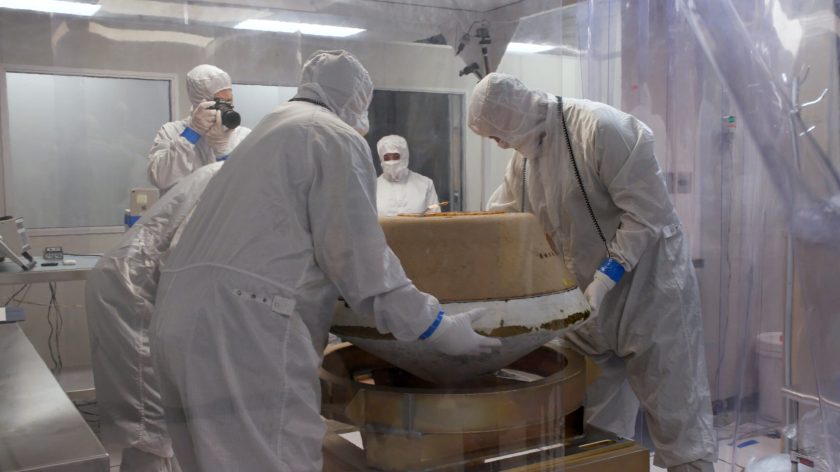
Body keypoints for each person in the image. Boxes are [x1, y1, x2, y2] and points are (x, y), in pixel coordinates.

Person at [149, 50, 500, 472]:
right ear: (356, 98)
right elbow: (359, 261)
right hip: (244, 331)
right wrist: (435, 326)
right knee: (275, 458)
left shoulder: (267, 131)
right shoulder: (331, 135)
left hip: (177, 318)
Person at [469, 72, 716, 472]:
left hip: (649, 294)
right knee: (596, 427)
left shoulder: (602, 129)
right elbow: (503, 220)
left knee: (677, 416)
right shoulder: (526, 160)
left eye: (498, 133)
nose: (498, 144)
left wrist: (607, 277)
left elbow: (648, 214)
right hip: (587, 309)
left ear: (515, 115)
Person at [85, 161, 225, 472]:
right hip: (134, 296)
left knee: (157, 423)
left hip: (136, 289)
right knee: (152, 423)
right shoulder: (231, 183)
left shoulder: (230, 174)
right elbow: (188, 262)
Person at [147, 64, 250, 193]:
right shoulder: (171, 132)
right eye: (220, 103)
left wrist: (224, 153)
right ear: (200, 102)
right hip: (185, 213)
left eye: (229, 101)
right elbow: (160, 178)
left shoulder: (243, 136)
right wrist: (191, 134)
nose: (227, 108)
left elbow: (248, 187)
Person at [375, 134, 441, 215]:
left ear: (404, 156)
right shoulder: (373, 187)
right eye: (387, 158)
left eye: (396, 156)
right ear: (381, 159)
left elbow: (436, 218)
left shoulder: (425, 184)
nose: (392, 162)